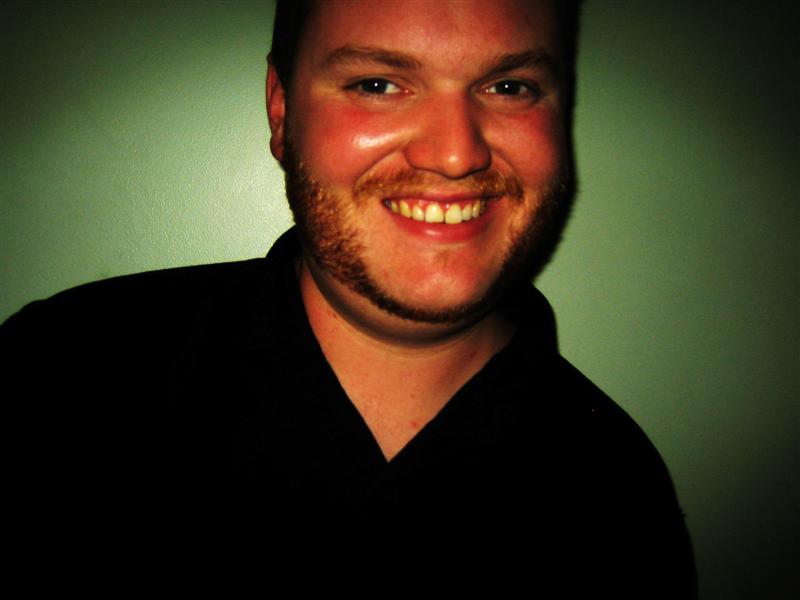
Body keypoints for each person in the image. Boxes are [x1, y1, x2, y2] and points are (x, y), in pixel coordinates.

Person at [2, 0, 695, 593]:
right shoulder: (59, 372)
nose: (456, 154)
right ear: (281, 111)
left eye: (509, 87)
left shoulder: (618, 490)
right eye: (377, 83)